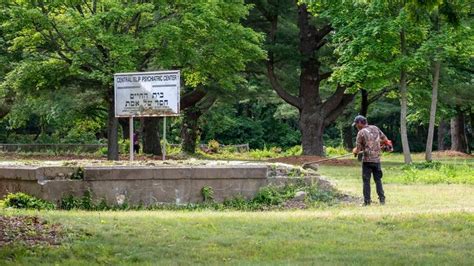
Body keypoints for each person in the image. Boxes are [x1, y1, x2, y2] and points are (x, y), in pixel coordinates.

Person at [352, 115, 392, 206]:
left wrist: (354, 151)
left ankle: (367, 202)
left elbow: (358, 150)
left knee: (366, 181)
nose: (356, 126)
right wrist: (377, 144)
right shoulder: (375, 128)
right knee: (378, 180)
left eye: (356, 124)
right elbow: (385, 139)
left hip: (367, 161)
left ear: (360, 123)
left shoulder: (361, 133)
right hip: (377, 160)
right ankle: (382, 200)